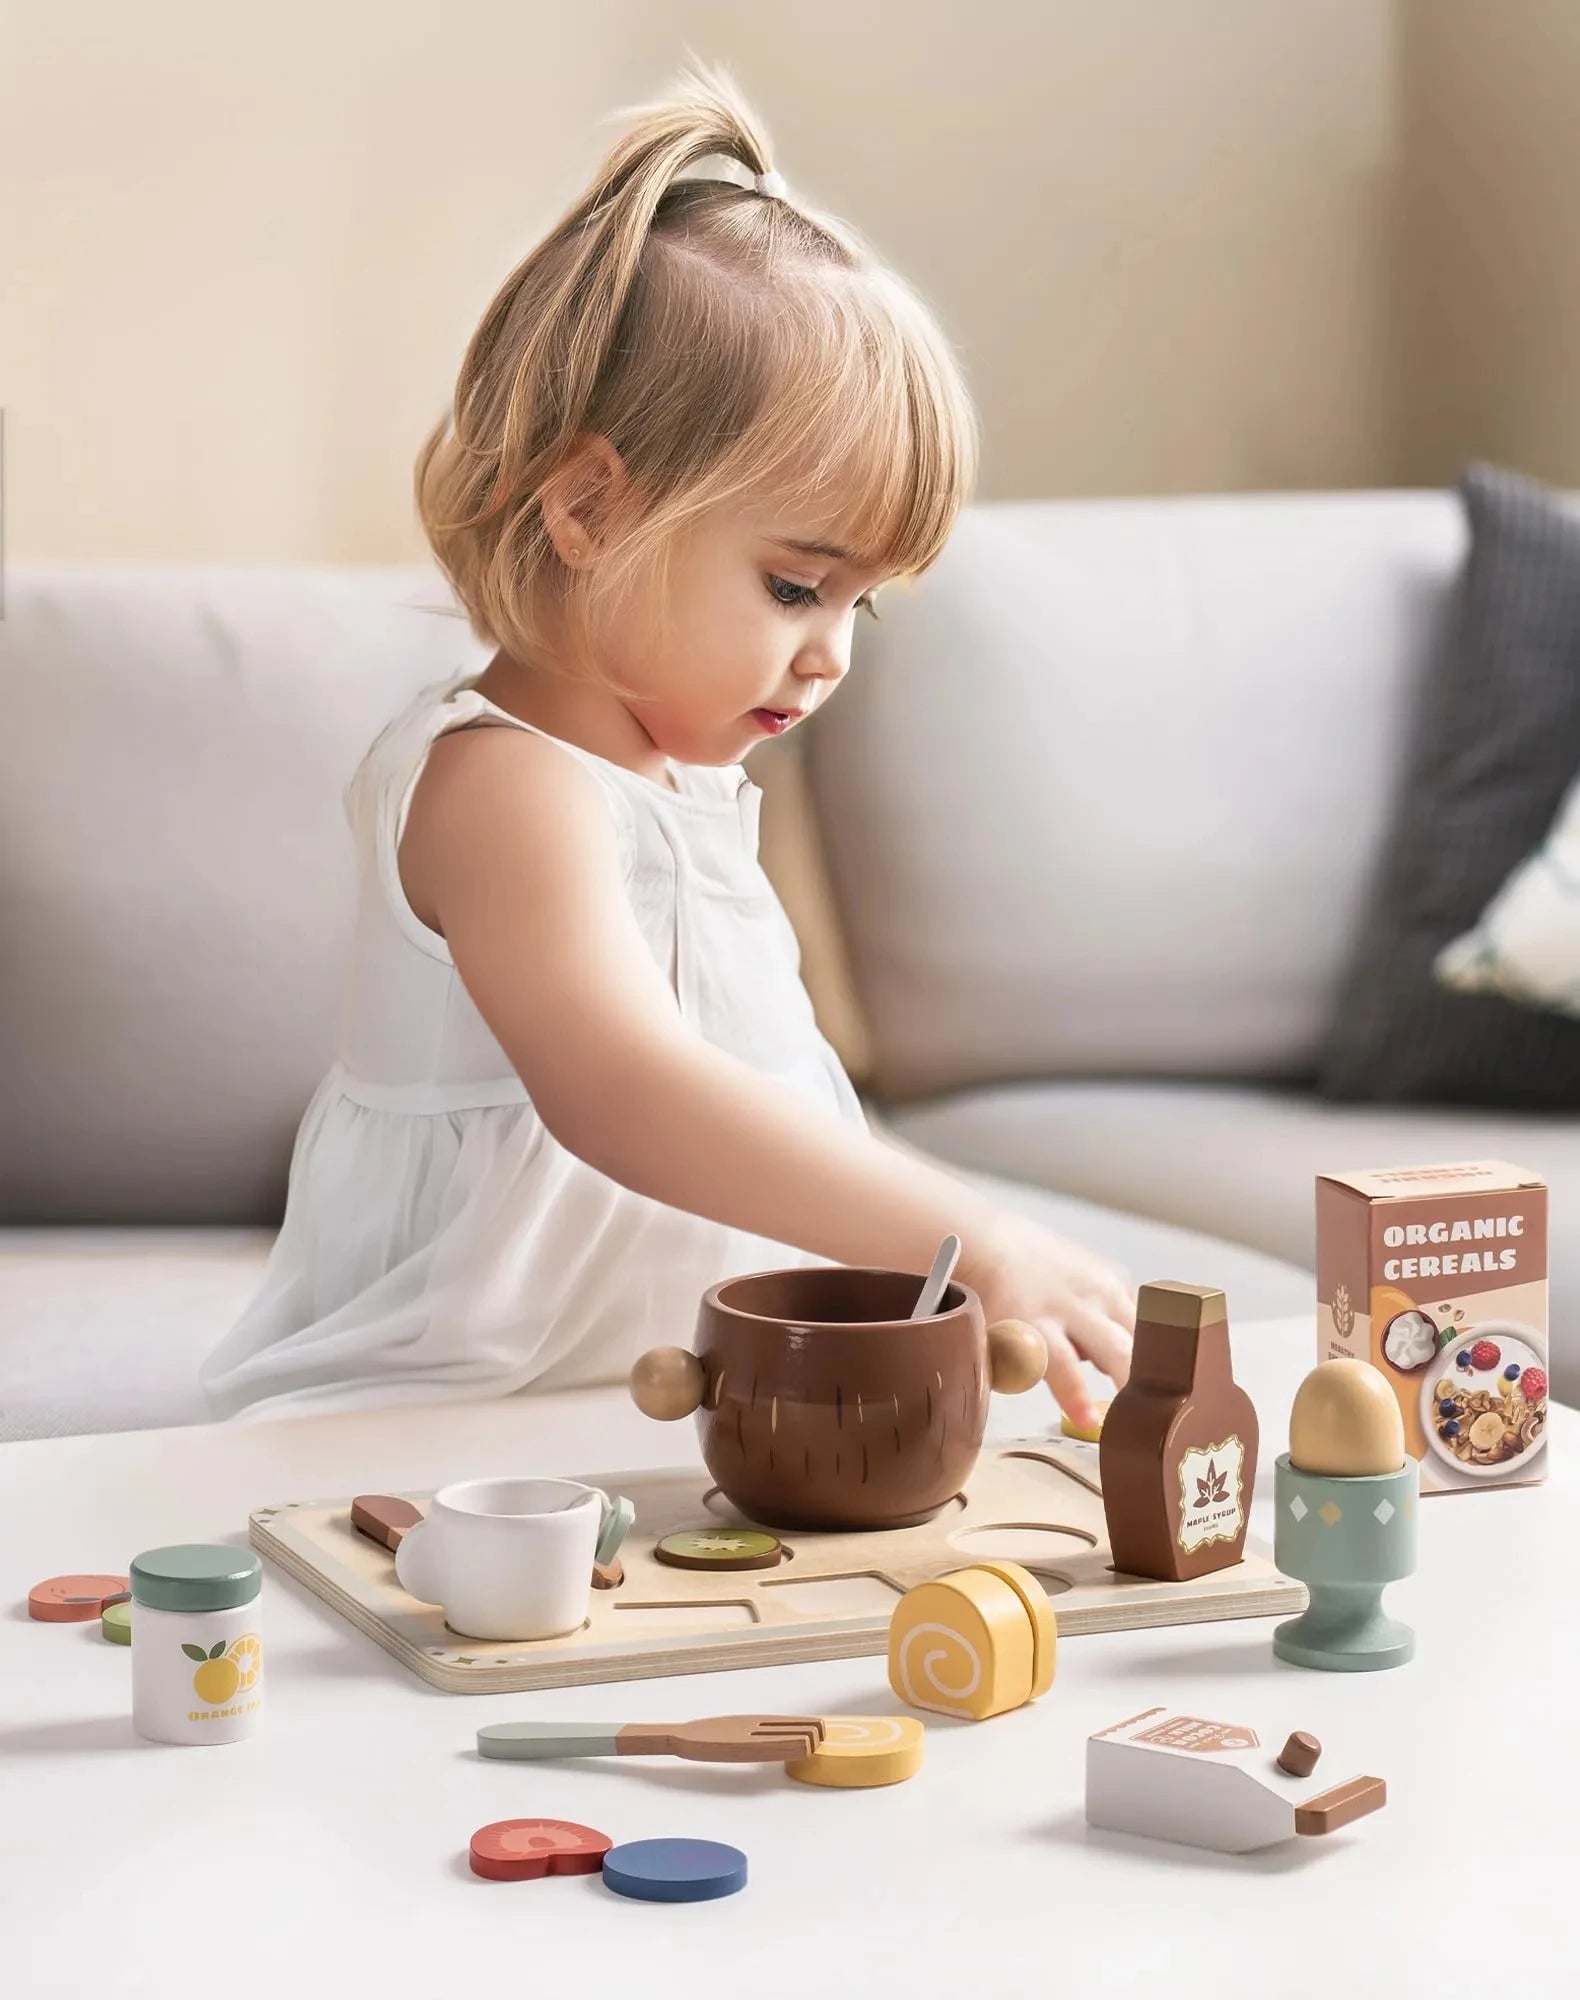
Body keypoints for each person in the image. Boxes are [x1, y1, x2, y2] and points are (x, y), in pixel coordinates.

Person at [202, 62, 1134, 1425]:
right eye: (795, 587)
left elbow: (781, 1126)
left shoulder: (690, 793)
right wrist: (969, 1236)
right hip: (429, 1426)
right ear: (587, 509)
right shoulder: (503, 781)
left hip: (669, 1417)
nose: (834, 656)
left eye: (863, 604)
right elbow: (626, 1091)